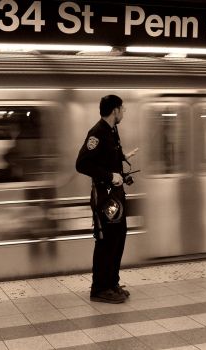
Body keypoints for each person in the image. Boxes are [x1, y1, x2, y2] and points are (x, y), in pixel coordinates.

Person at [75, 95, 138, 304]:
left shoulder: (112, 131)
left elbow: (106, 159)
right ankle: (99, 287)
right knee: (106, 241)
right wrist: (111, 176)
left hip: (115, 197)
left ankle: (112, 283)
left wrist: (122, 161)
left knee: (118, 238)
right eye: (122, 109)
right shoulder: (97, 133)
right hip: (104, 197)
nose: (124, 112)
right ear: (114, 111)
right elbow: (82, 164)